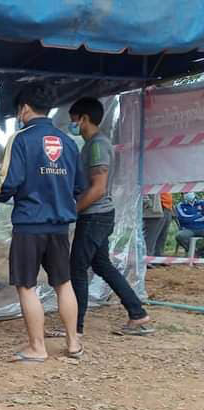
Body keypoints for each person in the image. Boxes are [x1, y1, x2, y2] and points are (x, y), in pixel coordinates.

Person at [0, 86, 85, 361]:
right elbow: (79, 186)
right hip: (59, 226)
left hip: (30, 224)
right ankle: (73, 343)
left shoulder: (20, 139)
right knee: (63, 283)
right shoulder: (68, 142)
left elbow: (9, 182)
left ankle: (38, 348)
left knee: (26, 285)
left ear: (25, 108)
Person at [63, 97, 152, 337]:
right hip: (99, 215)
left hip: (95, 216)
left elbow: (98, 188)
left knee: (76, 269)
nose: (72, 125)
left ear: (84, 119)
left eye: (73, 120)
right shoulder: (91, 145)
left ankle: (75, 328)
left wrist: (72, 211)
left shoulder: (97, 146)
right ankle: (137, 312)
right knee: (102, 265)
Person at [175, 192, 204, 256]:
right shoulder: (180, 205)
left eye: (188, 192)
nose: (186, 194)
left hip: (202, 228)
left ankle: (201, 252)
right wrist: (199, 215)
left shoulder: (202, 203)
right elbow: (183, 218)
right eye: (184, 193)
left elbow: (187, 218)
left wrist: (192, 218)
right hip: (188, 229)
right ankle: (194, 252)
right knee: (179, 236)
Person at [155, 192, 174, 257]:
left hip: (168, 208)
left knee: (163, 236)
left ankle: (159, 256)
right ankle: (150, 257)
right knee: (154, 236)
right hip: (159, 206)